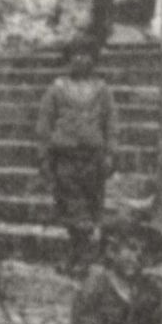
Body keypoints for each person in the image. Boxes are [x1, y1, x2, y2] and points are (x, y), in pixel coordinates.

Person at [36, 36, 118, 274]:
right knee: (71, 208)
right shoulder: (57, 89)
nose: (80, 60)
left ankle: (79, 257)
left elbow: (111, 122)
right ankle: (78, 256)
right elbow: (44, 123)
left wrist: (111, 153)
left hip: (93, 159)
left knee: (90, 207)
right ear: (67, 59)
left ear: (94, 60)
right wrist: (44, 154)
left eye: (86, 55)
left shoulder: (102, 90)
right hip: (66, 158)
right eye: (75, 55)